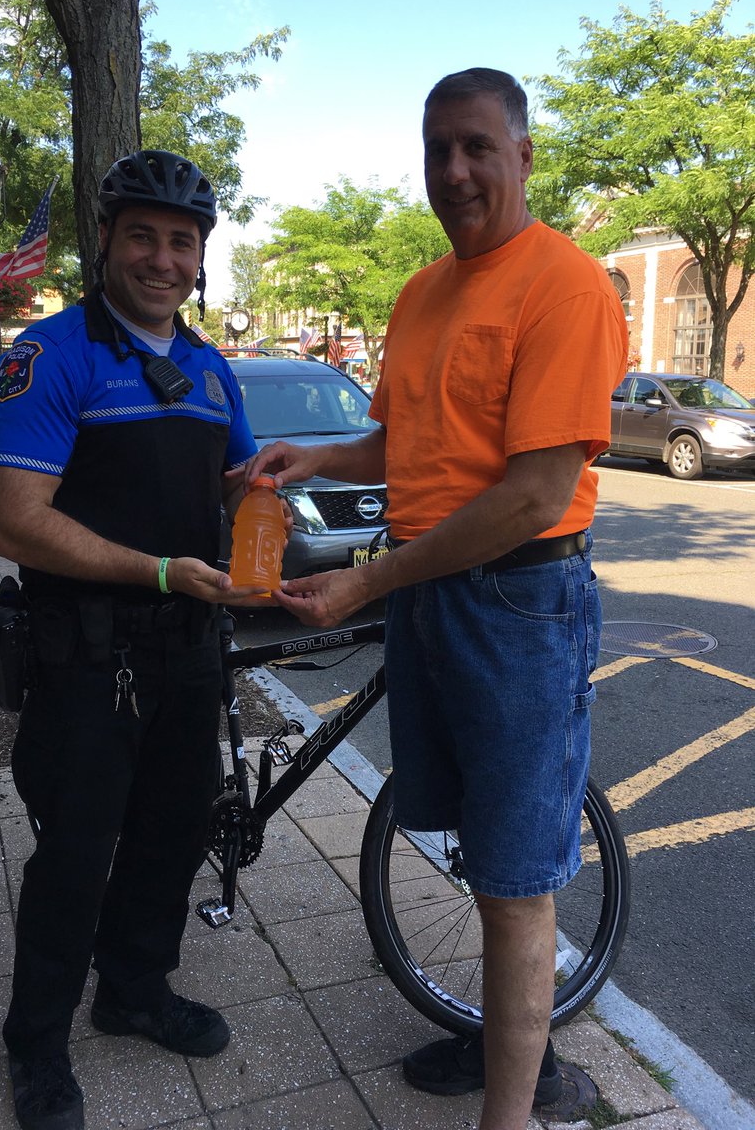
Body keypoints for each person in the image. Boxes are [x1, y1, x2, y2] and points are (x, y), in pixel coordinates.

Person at [241, 68, 627, 1130]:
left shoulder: (568, 285)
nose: (454, 172)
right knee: (462, 843)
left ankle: (513, 1111)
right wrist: (310, 457)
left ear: (523, 156)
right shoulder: (419, 294)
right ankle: (500, 1035)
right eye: (436, 151)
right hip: (428, 593)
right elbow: (407, 439)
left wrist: (368, 578)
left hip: (515, 600)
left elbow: (534, 494)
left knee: (514, 880)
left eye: (476, 147)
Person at [0, 149, 271, 1130]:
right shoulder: (48, 356)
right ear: (106, 239)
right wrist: (152, 570)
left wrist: (261, 488)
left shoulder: (210, 367)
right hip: (87, 656)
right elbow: (15, 520)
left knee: (172, 835)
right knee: (75, 853)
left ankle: (136, 990)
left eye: (180, 242)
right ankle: (35, 1043)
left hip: (190, 647)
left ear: (201, 258)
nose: (161, 257)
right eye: (141, 235)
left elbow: (226, 486)